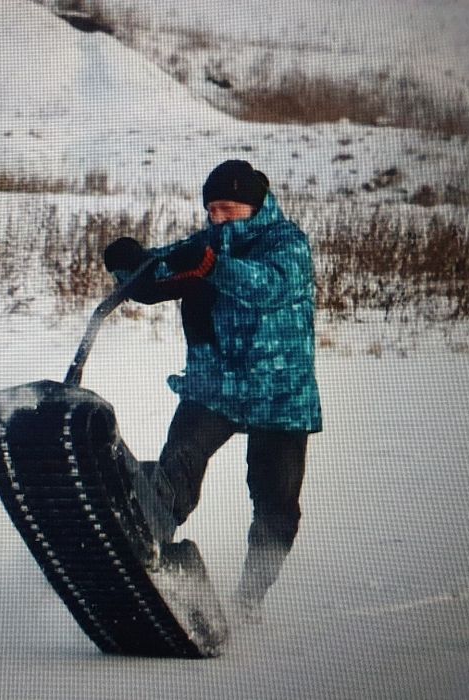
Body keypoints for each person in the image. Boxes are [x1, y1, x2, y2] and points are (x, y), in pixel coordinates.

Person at [103, 159, 322, 619]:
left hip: (279, 393)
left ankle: (249, 598)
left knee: (275, 501)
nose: (217, 218)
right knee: (178, 463)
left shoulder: (288, 245)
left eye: (227, 209)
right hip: (214, 387)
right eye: (212, 210)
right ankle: (144, 548)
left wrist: (212, 267)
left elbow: (269, 287)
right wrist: (132, 267)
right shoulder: (208, 242)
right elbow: (163, 272)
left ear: (254, 205)